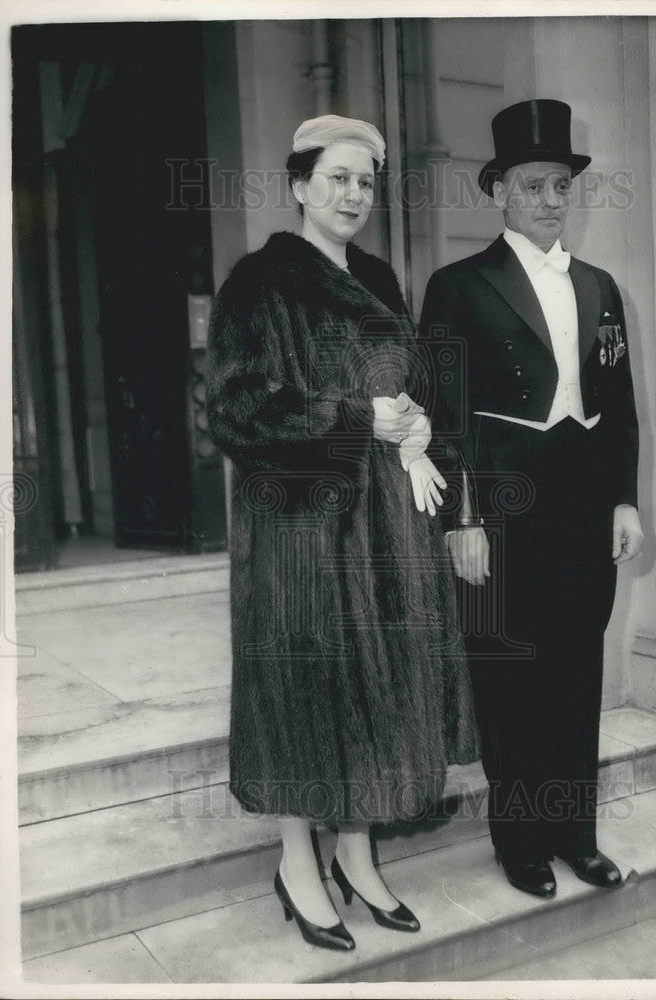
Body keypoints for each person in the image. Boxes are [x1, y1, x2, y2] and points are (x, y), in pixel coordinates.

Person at [205, 115, 478, 951]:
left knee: (374, 687)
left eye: (365, 180)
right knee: (303, 692)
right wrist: (358, 418)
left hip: (382, 526)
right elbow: (233, 407)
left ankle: (357, 858)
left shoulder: (381, 280)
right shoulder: (259, 282)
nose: (354, 193)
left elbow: (414, 382)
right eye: (337, 178)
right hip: (296, 526)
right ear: (298, 185)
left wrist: (421, 423)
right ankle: (297, 863)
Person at [420, 99, 643, 900]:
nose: (552, 199)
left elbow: (618, 406)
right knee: (511, 680)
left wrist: (624, 500)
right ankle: (520, 843)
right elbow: (442, 416)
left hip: (585, 510)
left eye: (561, 185)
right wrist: (463, 519)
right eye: (535, 184)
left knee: (575, 675)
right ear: (499, 191)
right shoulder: (459, 286)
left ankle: (574, 836)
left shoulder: (601, 286)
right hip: (503, 512)